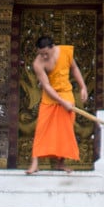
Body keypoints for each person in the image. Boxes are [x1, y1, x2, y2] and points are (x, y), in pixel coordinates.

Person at [27, 34, 89, 173]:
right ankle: (35, 163)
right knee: (42, 128)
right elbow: (47, 86)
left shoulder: (65, 52)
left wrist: (83, 86)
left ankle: (60, 163)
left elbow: (74, 68)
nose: (44, 56)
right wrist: (61, 102)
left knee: (64, 130)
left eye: (46, 53)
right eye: (41, 54)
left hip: (66, 93)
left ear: (52, 47)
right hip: (50, 97)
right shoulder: (38, 64)